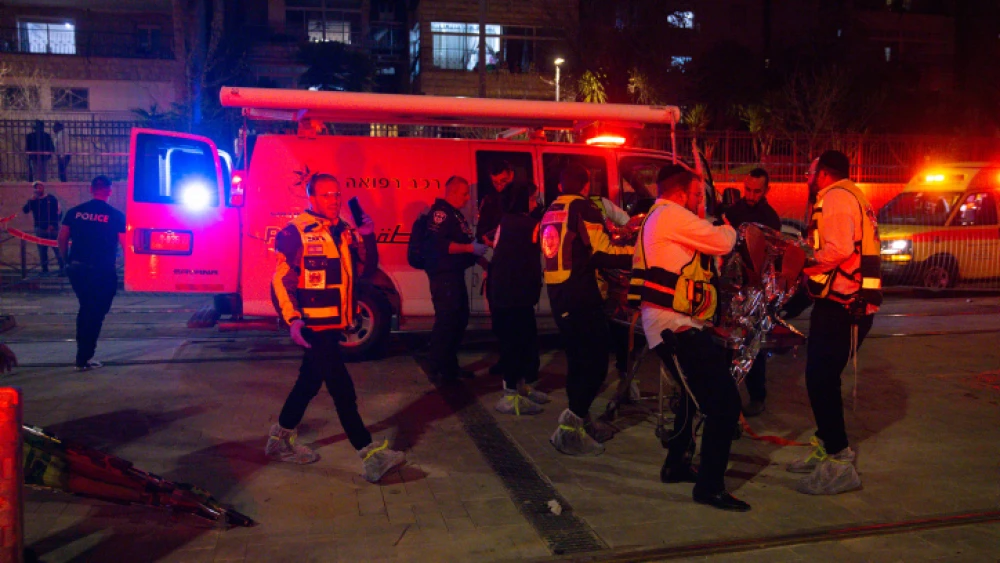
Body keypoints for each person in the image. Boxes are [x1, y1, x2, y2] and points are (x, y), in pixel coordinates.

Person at [267, 173, 406, 482]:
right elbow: (281, 280)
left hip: (336, 325)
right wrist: (293, 320)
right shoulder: (294, 233)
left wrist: (367, 235)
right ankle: (369, 454)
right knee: (342, 389)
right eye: (327, 195)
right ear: (311, 198)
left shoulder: (343, 230)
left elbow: (366, 269)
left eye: (337, 194)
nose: (334, 200)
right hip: (313, 327)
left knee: (308, 383)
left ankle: (280, 438)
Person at [629, 165, 748, 511]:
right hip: (674, 326)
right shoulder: (670, 215)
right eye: (698, 196)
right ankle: (710, 487)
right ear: (681, 194)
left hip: (677, 323)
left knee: (690, 398)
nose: (700, 203)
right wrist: (729, 224)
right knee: (724, 406)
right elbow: (723, 241)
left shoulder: (661, 217)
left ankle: (677, 463)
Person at [788, 151, 881, 496]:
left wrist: (804, 260)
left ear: (823, 173)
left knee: (820, 380)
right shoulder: (855, 195)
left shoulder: (837, 197)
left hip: (843, 306)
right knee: (822, 379)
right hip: (847, 304)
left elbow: (838, 249)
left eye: (810, 170)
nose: (807, 175)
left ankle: (839, 460)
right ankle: (828, 447)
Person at [543, 163, 633, 456]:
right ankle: (570, 429)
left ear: (560, 186)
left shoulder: (551, 209)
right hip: (581, 295)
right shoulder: (584, 208)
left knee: (578, 362)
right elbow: (604, 251)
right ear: (585, 187)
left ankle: (579, 422)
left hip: (559, 295)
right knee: (594, 364)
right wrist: (640, 253)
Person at [723, 168, 782, 417]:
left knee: (753, 345)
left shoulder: (770, 218)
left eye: (757, 191)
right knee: (727, 344)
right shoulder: (731, 212)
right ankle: (726, 394)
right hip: (729, 287)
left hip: (755, 290)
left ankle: (757, 396)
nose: (750, 194)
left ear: (767, 191)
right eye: (748, 189)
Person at [488, 181, 548, 415]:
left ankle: (521, 387)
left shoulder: (507, 221)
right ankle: (511, 394)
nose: (536, 203)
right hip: (514, 294)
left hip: (509, 293)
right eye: (533, 198)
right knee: (515, 342)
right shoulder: (528, 225)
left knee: (522, 340)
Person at [422, 176, 489, 383]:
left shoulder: (455, 214)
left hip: (454, 276)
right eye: (464, 193)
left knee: (458, 321)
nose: (468, 198)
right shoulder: (441, 214)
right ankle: (436, 367)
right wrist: (470, 248)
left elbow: (466, 243)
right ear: (451, 192)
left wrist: (484, 261)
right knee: (447, 322)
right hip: (444, 277)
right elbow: (438, 245)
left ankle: (449, 367)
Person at [57, 176, 126, 371]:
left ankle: (83, 355)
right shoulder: (116, 215)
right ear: (110, 191)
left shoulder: (75, 212)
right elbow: (125, 244)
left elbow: (62, 238)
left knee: (86, 308)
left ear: (91, 189)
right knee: (96, 312)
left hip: (77, 268)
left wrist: (66, 260)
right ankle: (84, 357)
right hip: (102, 270)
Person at [591, 191, 643, 404]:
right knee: (596, 341)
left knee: (621, 332)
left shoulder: (601, 204)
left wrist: (620, 234)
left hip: (607, 282)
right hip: (590, 285)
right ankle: (592, 384)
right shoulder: (574, 209)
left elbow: (628, 224)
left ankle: (625, 378)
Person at [476, 160, 514, 377]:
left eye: (503, 181)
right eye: (495, 182)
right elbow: (480, 231)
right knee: (499, 318)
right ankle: (504, 359)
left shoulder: (520, 198)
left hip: (513, 267)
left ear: (510, 174)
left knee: (514, 320)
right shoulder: (490, 201)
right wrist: (486, 239)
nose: (499, 186)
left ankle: (516, 366)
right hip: (495, 264)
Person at [23, 181, 64, 275]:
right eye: (36, 187)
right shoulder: (33, 201)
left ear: (43, 187)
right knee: (42, 250)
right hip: (40, 229)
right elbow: (25, 210)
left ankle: (63, 269)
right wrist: (31, 200)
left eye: (39, 186)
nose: (38, 189)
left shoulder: (51, 199)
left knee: (58, 249)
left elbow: (59, 212)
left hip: (53, 229)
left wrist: (53, 225)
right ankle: (45, 270)